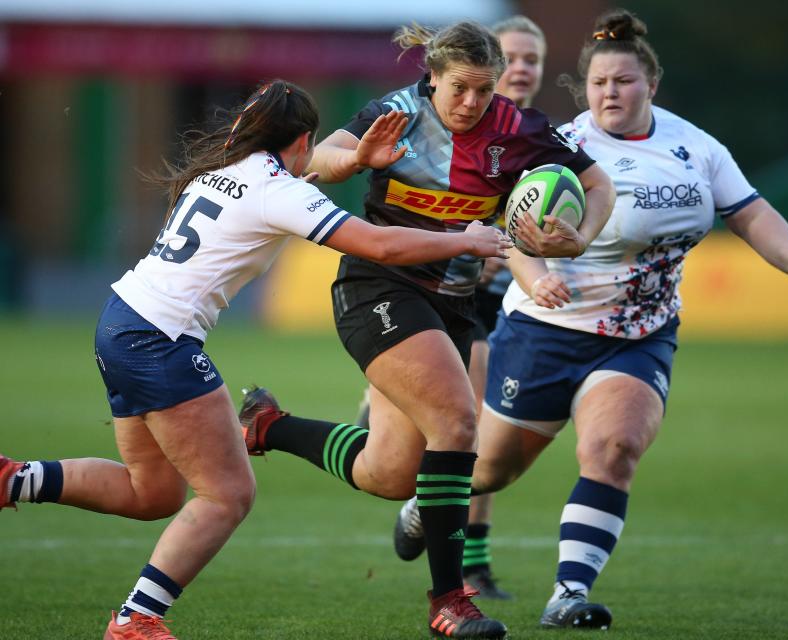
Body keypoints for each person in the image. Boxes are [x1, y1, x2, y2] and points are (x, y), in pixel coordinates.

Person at [0, 79, 510, 640]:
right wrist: (466, 240)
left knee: (153, 494)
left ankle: (12, 480)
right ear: (305, 138)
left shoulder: (228, 173)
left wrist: (354, 161)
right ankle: (135, 620)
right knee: (228, 494)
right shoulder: (279, 191)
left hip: (120, 320)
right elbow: (383, 245)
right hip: (160, 340)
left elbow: (281, 196)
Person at [395, 8, 788, 630]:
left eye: (623, 82)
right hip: (546, 330)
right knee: (491, 468)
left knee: (615, 446)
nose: (610, 93)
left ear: (650, 84)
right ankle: (423, 504)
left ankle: (568, 593)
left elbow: (750, 211)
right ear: (585, 88)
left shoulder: (696, 148)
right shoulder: (560, 146)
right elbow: (511, 232)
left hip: (638, 336)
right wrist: (536, 275)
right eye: (599, 83)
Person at [237, 20, 615, 640]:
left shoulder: (518, 130)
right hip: (379, 289)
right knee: (458, 423)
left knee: (389, 475)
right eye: (459, 88)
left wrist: (583, 234)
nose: (472, 103)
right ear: (431, 77)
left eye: (484, 90)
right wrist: (358, 157)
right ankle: (450, 601)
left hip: (454, 306)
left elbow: (597, 184)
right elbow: (320, 162)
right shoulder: (395, 112)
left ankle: (269, 427)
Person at [389, 15, 549, 602]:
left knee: (458, 432)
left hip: (502, 293)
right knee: (458, 424)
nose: (525, 67)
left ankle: (464, 556)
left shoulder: (538, 136)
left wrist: (537, 253)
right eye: (516, 55)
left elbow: (547, 206)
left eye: (533, 58)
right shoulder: (437, 121)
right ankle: (460, 561)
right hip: (431, 288)